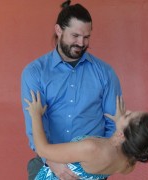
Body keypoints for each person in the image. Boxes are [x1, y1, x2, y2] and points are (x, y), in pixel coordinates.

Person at [21, 1, 122, 179]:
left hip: (92, 166)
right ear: (59, 30)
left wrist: (98, 166)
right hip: (48, 162)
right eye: (75, 35)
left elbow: (114, 124)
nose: (81, 43)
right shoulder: (35, 73)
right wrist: (54, 164)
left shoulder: (105, 73)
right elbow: (34, 126)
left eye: (86, 37)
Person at [24, 91, 148, 180]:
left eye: (128, 115)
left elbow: (42, 150)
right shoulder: (128, 163)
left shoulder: (92, 148)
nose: (128, 110)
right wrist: (121, 122)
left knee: (33, 163)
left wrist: (35, 115)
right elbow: (116, 145)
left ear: (122, 135)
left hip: (45, 176)